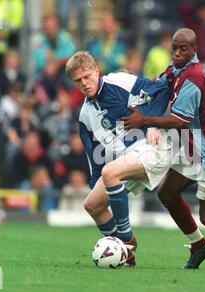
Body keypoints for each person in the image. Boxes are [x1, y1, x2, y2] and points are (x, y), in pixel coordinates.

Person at [123, 28, 205, 270]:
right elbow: (156, 86)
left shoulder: (194, 79)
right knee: (166, 193)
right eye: (174, 48)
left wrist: (143, 120)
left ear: (194, 50)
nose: (176, 53)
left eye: (183, 49)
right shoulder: (176, 68)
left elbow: (179, 121)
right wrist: (130, 82)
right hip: (193, 147)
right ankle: (199, 246)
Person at [66, 51, 172, 266]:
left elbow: (160, 91)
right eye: (78, 81)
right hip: (125, 162)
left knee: (110, 172)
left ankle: (125, 240)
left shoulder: (119, 81)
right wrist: (96, 181)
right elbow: (93, 154)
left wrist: (150, 123)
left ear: (97, 70)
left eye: (87, 76)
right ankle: (126, 256)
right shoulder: (85, 114)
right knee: (92, 205)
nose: (84, 84)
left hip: (151, 147)